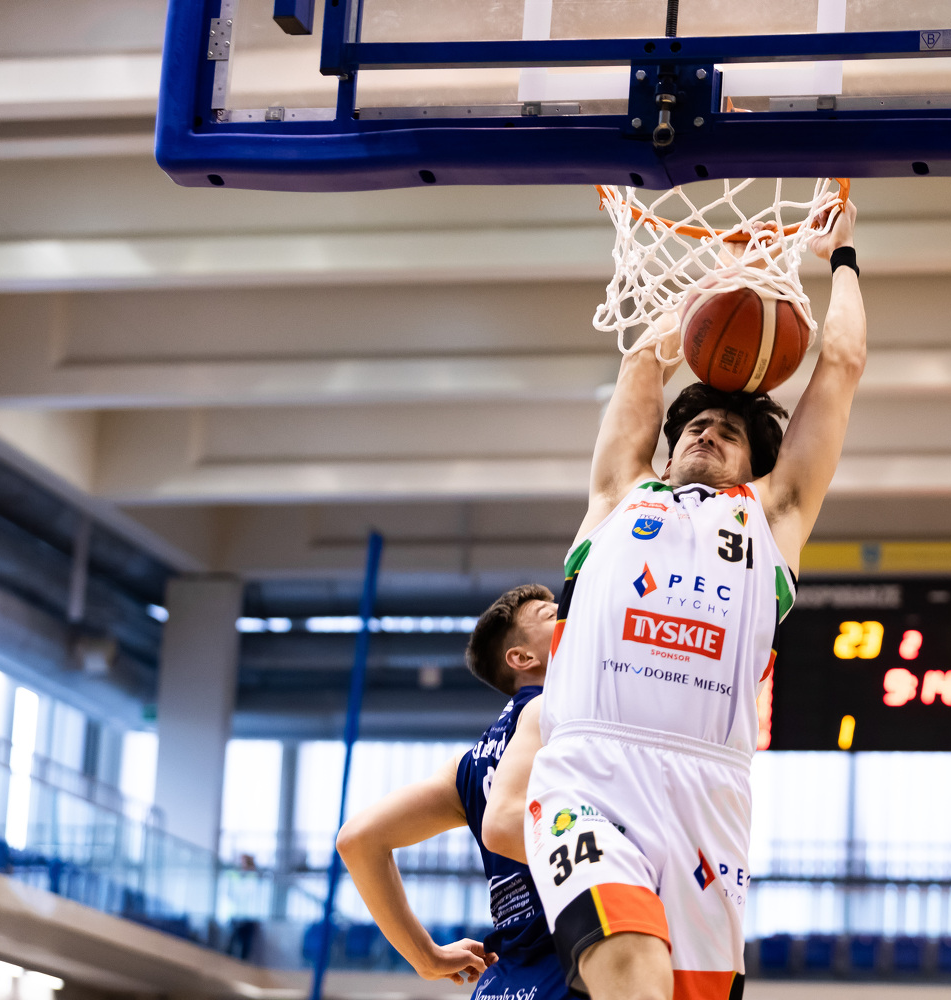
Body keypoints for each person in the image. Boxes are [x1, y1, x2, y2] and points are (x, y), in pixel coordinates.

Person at [483, 201, 865, 1000]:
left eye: (729, 430)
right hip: (588, 773)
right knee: (630, 963)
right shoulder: (620, 495)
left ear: (755, 462)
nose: (706, 432)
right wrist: (718, 278)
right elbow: (642, 368)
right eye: (696, 425)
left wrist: (842, 259)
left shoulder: (774, 517)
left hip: (709, 794)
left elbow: (841, 366)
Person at [336, 584, 573, 1000]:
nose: (567, 611)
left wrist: (427, 958)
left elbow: (358, 840)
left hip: (503, 983)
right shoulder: (553, 714)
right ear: (522, 658)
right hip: (572, 964)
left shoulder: (467, 765)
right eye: (551, 614)